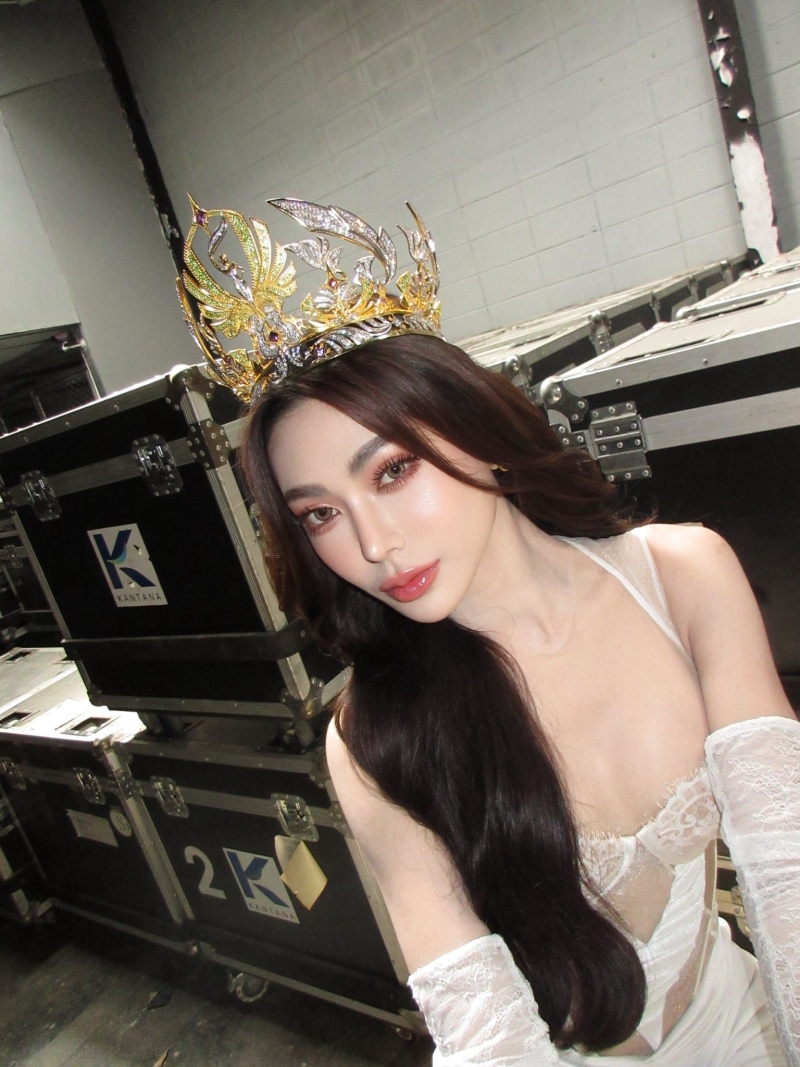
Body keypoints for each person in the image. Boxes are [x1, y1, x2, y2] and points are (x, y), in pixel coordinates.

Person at [179, 197, 799, 1067]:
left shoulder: (683, 578)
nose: (372, 545)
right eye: (320, 513)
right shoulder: (377, 737)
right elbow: (483, 1030)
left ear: (476, 429)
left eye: (393, 470)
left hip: (746, 1018)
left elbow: (785, 861)